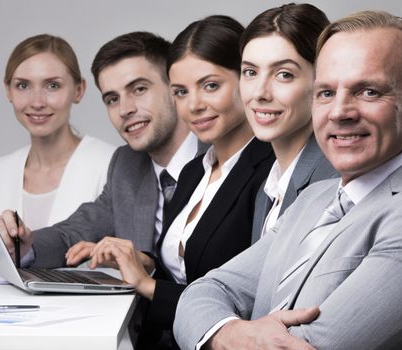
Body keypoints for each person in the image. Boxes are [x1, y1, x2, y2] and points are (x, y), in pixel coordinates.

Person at [174, 10, 402, 350]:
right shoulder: (317, 199)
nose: (339, 112)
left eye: (368, 91)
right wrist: (228, 332)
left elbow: (313, 346)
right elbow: (203, 292)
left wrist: (227, 331)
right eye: (325, 93)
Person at [83, 15, 273, 349]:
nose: (194, 105)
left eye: (210, 85)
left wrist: (147, 286)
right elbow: (185, 270)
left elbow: (248, 301)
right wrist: (144, 264)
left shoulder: (270, 170)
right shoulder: (194, 172)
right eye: (181, 92)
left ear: (247, 80)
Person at [0, 31, 205, 273]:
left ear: (174, 87)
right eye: (112, 99)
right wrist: (25, 245)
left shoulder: (220, 154)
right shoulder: (127, 164)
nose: (125, 109)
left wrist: (147, 269)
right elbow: (71, 233)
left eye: (138, 89)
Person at [0, 34, 116, 270]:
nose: (37, 102)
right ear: (8, 91)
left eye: (52, 85)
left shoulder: (111, 164)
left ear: (79, 90)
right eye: (23, 85)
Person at [239, 4, 338, 243]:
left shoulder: (333, 182)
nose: (259, 93)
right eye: (250, 72)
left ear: (321, 81)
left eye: (284, 74)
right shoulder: (267, 190)